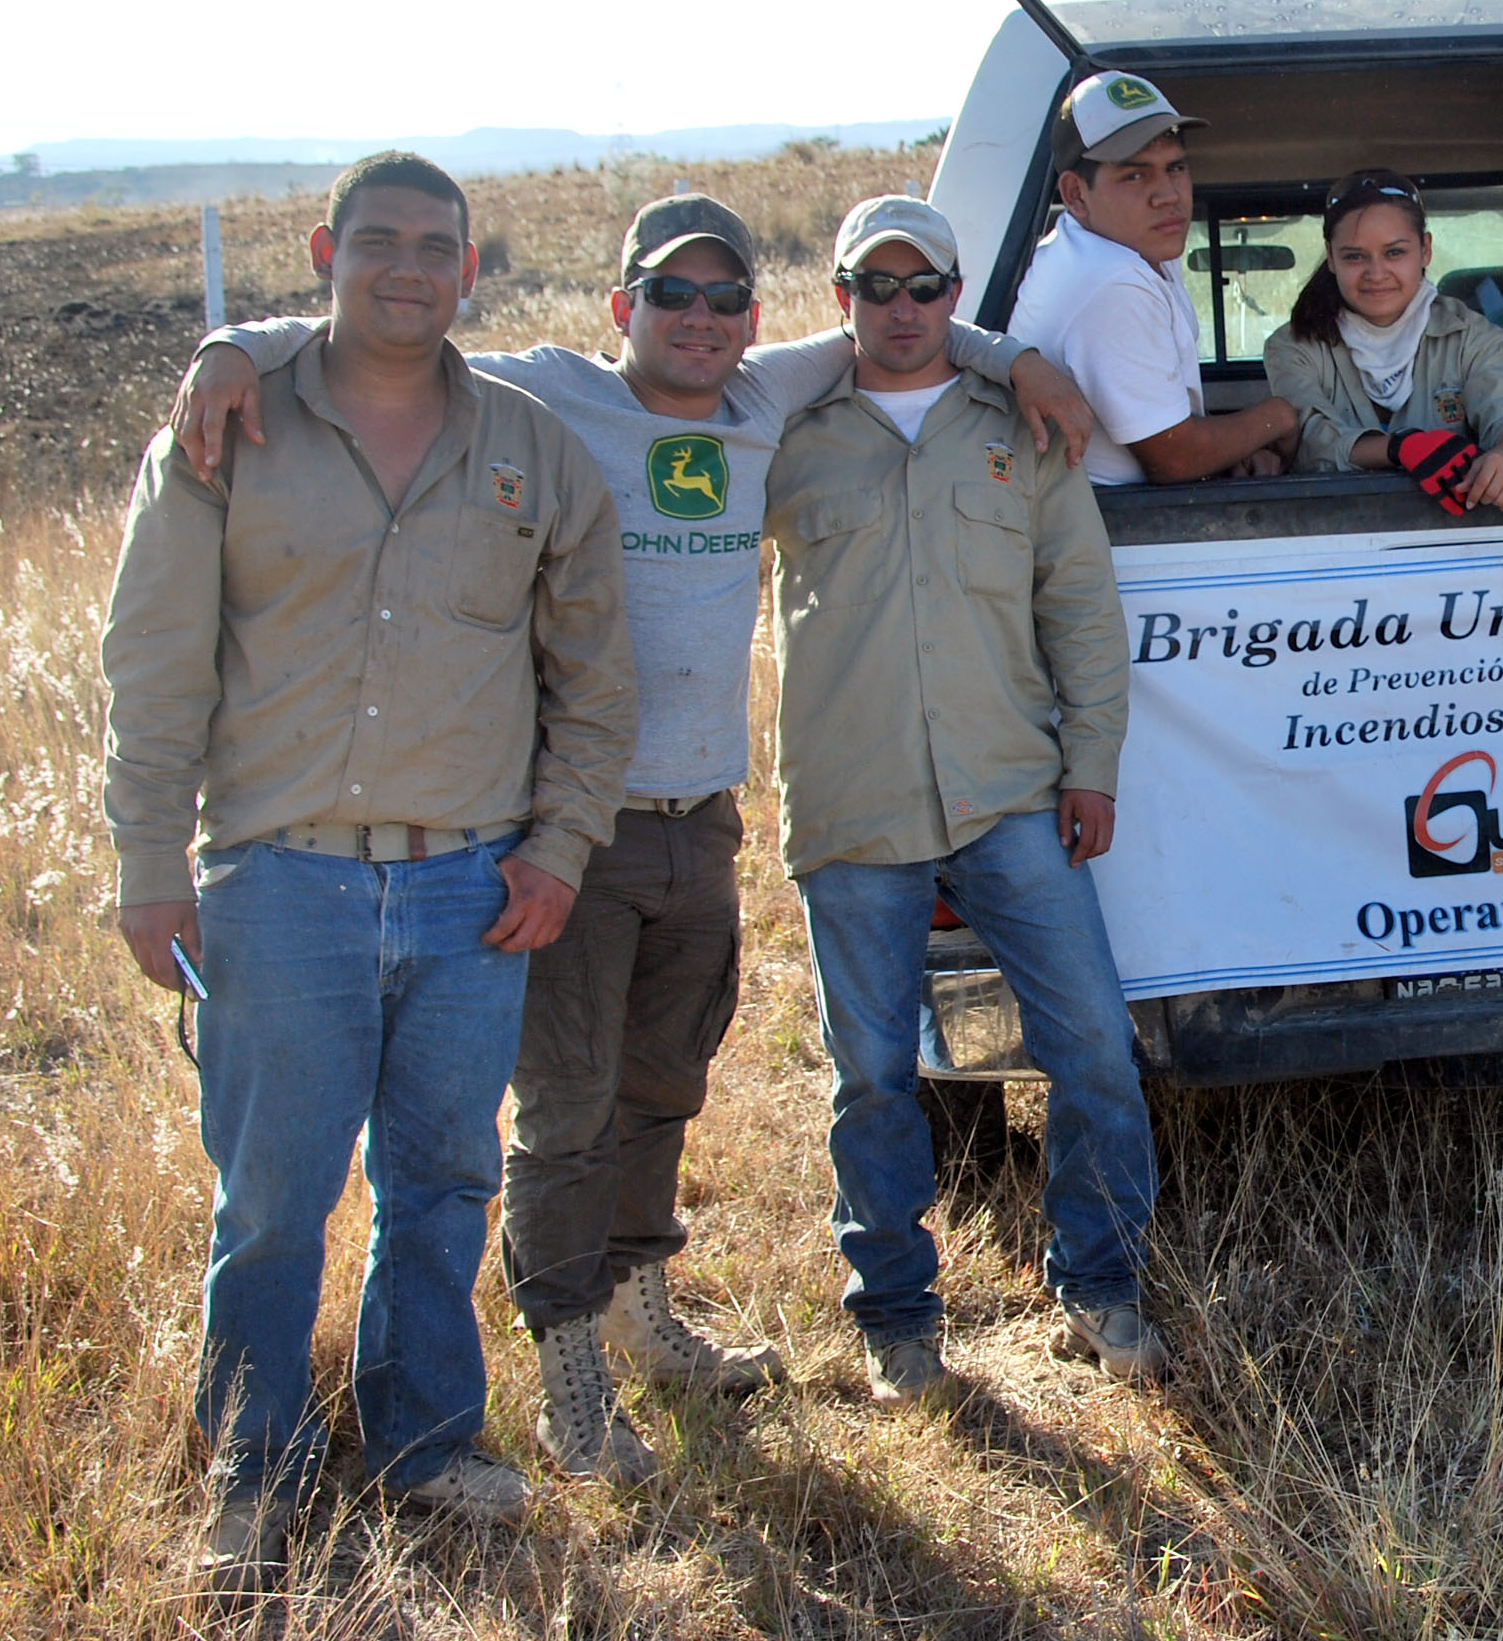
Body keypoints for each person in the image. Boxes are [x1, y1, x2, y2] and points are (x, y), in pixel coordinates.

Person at [168, 196, 1098, 1488]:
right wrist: (240, 347)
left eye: (726, 301)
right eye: (674, 297)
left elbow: (926, 327)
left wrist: (1028, 360)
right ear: (623, 309)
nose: (702, 321)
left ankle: (641, 1313)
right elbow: (388, 331)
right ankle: (568, 1375)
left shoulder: (773, 392)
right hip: (571, 832)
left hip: (700, 824)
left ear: (757, 321)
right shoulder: (550, 399)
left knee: (665, 1086)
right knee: (565, 1111)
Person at [102, 152, 639, 1604]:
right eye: (381, 242)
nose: (408, 268)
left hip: (475, 890)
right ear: (329, 251)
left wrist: (560, 847)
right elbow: (152, 670)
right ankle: (250, 1472)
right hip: (283, 886)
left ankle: (425, 1443)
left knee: (444, 1180)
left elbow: (597, 676)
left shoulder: (530, 446)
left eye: (437, 247)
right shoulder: (230, 429)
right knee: (273, 1197)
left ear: (471, 269)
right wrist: (151, 868)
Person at [768, 194, 1166, 1400]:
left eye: (923, 285)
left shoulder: (1019, 424)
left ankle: (1098, 1283)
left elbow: (1081, 609)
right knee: (875, 1074)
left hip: (1009, 795)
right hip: (854, 806)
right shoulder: (781, 430)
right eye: (873, 286)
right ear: (839, 298)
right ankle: (895, 1315)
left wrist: (1090, 762)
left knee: (1095, 1046)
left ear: (955, 295)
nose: (900, 308)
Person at [1007, 68, 1301, 484]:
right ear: (1075, 194)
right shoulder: (1112, 280)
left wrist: (1233, 448)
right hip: (1112, 535)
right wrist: (1279, 418)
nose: (1168, 195)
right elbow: (1175, 459)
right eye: (1135, 174)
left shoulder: (1120, 248)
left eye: (1176, 168)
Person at [1262, 167, 1503, 512]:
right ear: (1331, 258)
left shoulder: (1473, 335)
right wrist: (1401, 449)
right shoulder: (1293, 345)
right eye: (1354, 256)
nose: (1376, 273)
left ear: (1425, 250)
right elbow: (1307, 443)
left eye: (1395, 252)